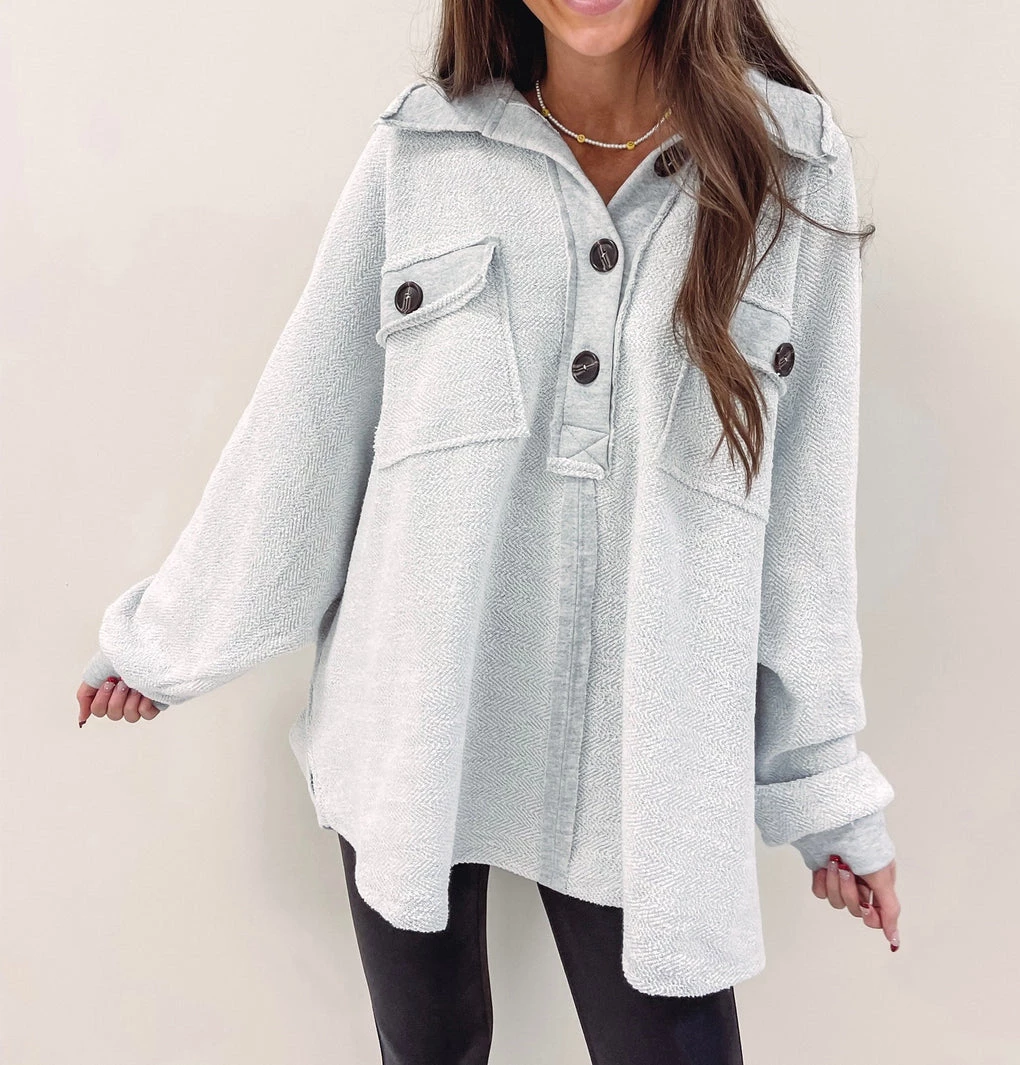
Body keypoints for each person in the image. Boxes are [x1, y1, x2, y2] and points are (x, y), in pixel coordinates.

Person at [76, 0, 903, 1060]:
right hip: (414, 723)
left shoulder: (791, 170)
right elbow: (307, 428)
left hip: (648, 762)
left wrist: (826, 796)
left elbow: (806, 526)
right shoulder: (423, 151)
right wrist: (168, 641)